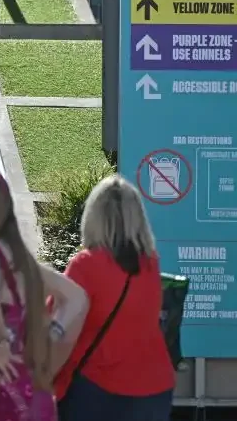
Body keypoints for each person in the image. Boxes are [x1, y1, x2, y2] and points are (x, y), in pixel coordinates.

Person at [0, 161, 89, 421]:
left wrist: (0, 340)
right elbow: (78, 299)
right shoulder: (18, 259)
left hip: (2, 396)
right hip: (36, 395)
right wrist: (50, 343)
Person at [54, 175, 174, 421]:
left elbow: (57, 323)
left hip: (96, 389)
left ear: (94, 217)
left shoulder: (86, 265)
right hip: (154, 389)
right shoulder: (150, 264)